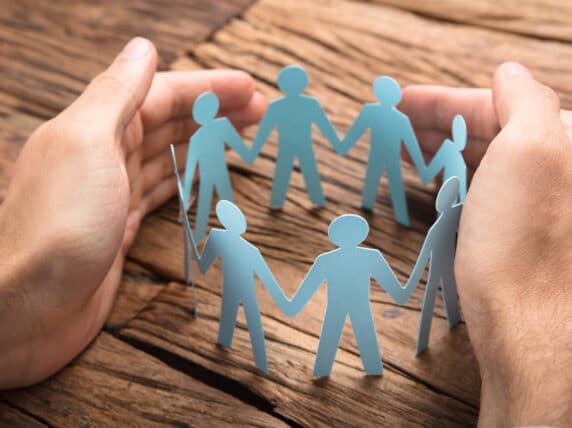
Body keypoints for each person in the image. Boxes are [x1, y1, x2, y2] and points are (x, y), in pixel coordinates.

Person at [0, 37, 569, 426]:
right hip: (306, 228)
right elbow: (398, 278)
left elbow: (312, 278)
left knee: (343, 294)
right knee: (359, 278)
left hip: (328, 220)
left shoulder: (252, 239)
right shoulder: (281, 234)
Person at [284, 214, 410, 377]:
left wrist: (292, 306)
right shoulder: (369, 256)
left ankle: (325, 371)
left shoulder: (327, 259)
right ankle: (365, 369)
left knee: (335, 337)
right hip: (354, 306)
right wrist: (403, 293)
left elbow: (307, 289)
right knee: (357, 336)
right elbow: (394, 289)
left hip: (342, 306)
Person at [185, 200, 290, 374]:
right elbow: (266, 278)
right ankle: (259, 362)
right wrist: (285, 302)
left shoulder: (218, 237)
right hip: (242, 288)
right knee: (251, 321)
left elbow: (203, 267)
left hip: (232, 287)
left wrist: (195, 254)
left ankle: (249, 356)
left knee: (240, 318)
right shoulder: (246, 248)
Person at [246, 65, 342, 208]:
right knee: (301, 171)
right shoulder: (308, 104)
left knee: (290, 172)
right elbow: (325, 126)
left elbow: (264, 131)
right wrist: (337, 144)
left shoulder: (278, 106)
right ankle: (308, 200)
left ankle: (285, 201)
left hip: (293, 146)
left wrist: (253, 151)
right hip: (298, 145)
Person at [339, 76, 426, 226]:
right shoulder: (394, 117)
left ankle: (398, 215)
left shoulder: (392, 116)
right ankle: (375, 207)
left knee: (389, 183)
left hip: (387, 155)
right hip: (381, 154)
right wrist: (422, 166)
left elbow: (411, 143)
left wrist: (345, 145)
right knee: (384, 182)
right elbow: (358, 129)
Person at [403, 177, 463, 354]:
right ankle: (450, 320)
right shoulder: (458, 213)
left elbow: (423, 258)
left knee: (433, 298)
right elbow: (424, 256)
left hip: (445, 264)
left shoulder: (447, 221)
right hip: (445, 264)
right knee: (443, 293)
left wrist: (408, 288)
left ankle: (446, 323)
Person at [182, 91, 252, 241]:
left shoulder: (216, 128)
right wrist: (186, 191)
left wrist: (247, 155)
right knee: (208, 206)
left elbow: (236, 143)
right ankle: (200, 237)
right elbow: (190, 166)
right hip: (209, 174)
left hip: (218, 172)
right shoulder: (198, 137)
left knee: (222, 203)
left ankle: (230, 235)